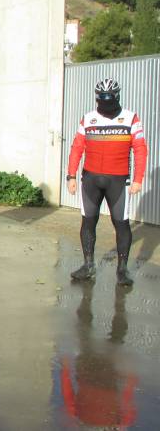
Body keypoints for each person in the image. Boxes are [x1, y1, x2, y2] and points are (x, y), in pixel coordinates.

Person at [66, 78, 147, 286]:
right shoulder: (89, 118)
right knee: (88, 221)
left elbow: (140, 149)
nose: (105, 101)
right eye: (101, 98)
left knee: (121, 223)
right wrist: (71, 176)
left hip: (118, 181)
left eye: (109, 98)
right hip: (90, 179)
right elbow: (77, 147)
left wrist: (138, 179)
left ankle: (122, 270)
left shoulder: (130, 118)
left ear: (117, 96)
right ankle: (88, 266)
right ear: (97, 98)